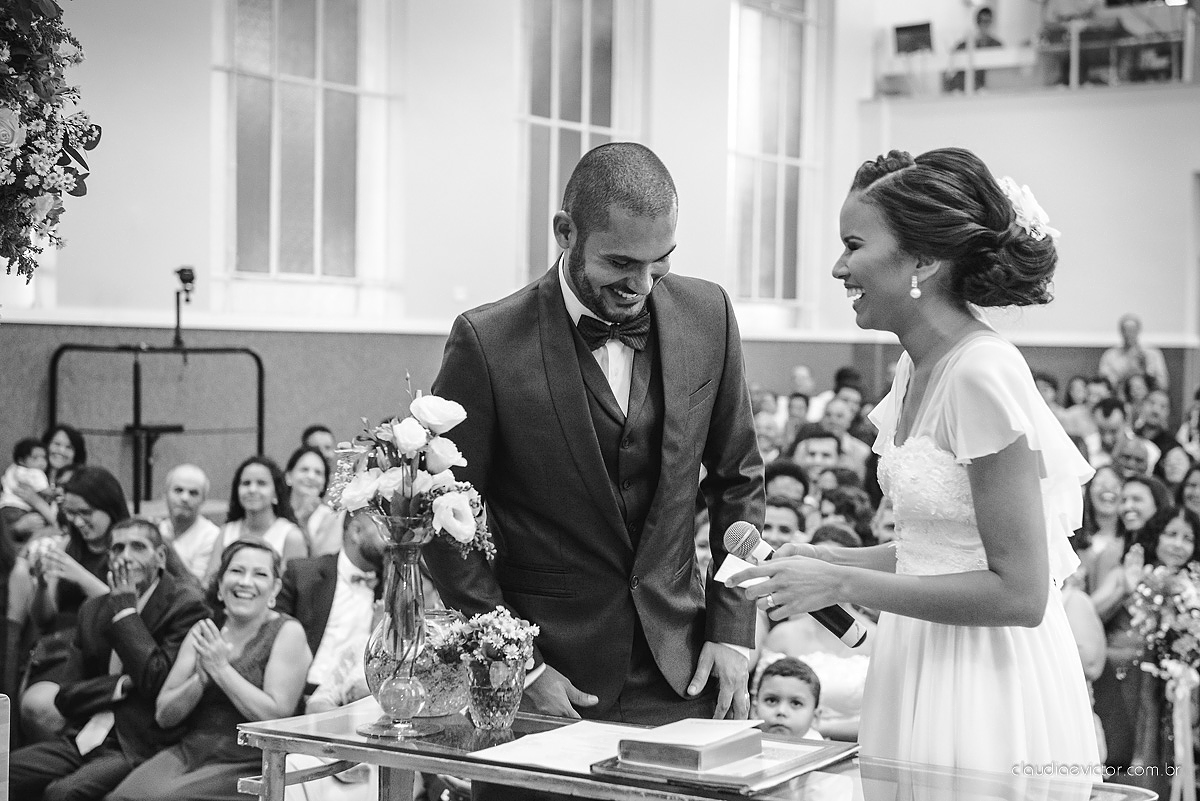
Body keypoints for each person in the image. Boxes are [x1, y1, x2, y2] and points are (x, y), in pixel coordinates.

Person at [732, 148, 1099, 773]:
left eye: (853, 245)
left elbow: (1021, 591)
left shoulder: (980, 372)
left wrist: (844, 583)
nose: (837, 268)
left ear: (924, 260)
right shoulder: (913, 365)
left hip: (985, 674)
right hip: (918, 649)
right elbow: (941, 551)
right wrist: (831, 558)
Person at [424, 144, 763, 774]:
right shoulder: (487, 341)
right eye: (620, 262)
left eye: (659, 263)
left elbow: (739, 482)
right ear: (564, 233)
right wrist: (515, 664)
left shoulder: (708, 315)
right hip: (550, 682)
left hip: (684, 672)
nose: (640, 286)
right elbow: (447, 522)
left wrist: (733, 627)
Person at [9, 518, 209, 801]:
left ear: (161, 557)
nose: (125, 557)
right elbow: (66, 697)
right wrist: (123, 684)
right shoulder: (93, 608)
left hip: (140, 743)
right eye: (117, 549)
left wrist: (126, 612)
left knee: (62, 793)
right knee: (7, 771)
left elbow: (156, 682)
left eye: (137, 547)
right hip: (84, 735)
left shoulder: (185, 606)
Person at [106, 540, 311, 801]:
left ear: (275, 588)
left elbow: (276, 715)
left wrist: (221, 670)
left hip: (251, 759)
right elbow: (164, 714)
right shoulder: (203, 631)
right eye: (236, 571)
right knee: (120, 797)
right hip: (192, 749)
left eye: (259, 574)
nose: (245, 582)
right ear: (221, 582)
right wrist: (199, 681)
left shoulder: (287, 631)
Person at [19, 466, 130, 741]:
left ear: (109, 507)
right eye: (71, 514)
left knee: (43, 705)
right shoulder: (67, 546)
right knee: (33, 704)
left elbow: (129, 609)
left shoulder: (129, 548)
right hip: (60, 646)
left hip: (106, 649)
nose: (78, 522)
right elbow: (44, 619)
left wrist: (78, 575)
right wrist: (43, 585)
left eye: (86, 513)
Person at [276, 510, 385, 698]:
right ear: (356, 532)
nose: (393, 539)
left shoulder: (395, 586)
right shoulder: (303, 575)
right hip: (302, 693)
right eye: (384, 529)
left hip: (361, 699)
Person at [203, 456, 308, 582]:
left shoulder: (291, 536)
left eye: (261, 483)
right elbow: (209, 583)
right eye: (246, 483)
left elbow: (295, 589)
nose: (252, 489)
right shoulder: (226, 531)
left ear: (276, 493)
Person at [159, 464, 222, 582]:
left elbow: (197, 590)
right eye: (178, 490)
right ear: (165, 495)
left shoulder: (212, 537)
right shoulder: (158, 529)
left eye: (193, 493)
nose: (184, 498)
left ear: (203, 500)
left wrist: (167, 547)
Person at [284, 445, 340, 556]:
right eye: (304, 470)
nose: (311, 476)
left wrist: (304, 523)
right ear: (288, 476)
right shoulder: (275, 510)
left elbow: (321, 562)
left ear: (325, 483)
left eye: (318, 473)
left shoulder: (331, 517)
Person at [751, 656, 823, 741]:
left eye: (796, 703)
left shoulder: (825, 752)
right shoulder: (743, 748)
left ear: (815, 718)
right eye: (771, 700)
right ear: (754, 710)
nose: (781, 711)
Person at [1099, 313, 1169, 393]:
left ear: (1139, 330)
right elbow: (1104, 385)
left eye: (1132, 330)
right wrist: (1127, 373)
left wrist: (1145, 371)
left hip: (1148, 398)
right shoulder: (1110, 355)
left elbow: (1163, 384)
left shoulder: (1152, 354)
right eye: (1126, 330)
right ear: (1121, 332)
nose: (1129, 334)